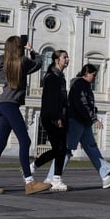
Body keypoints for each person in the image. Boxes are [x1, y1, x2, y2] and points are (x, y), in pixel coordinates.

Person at [0, 35, 50, 195]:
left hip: (3, 104)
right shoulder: (22, 62)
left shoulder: (3, 63)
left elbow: (1, 60)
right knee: (25, 141)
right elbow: (39, 63)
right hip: (10, 105)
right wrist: (31, 50)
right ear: (20, 48)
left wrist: (10, 51)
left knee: (0, 144)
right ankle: (29, 182)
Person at [61, 64, 110, 189]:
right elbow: (82, 103)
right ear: (86, 73)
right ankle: (52, 177)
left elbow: (85, 104)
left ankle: (105, 176)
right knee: (66, 150)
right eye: (93, 75)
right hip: (76, 120)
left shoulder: (84, 85)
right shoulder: (80, 84)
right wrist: (94, 118)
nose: (95, 78)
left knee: (91, 148)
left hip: (84, 121)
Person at [34, 49, 70, 192]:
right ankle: (54, 179)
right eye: (64, 57)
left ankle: (51, 176)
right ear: (57, 60)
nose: (67, 60)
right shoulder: (52, 77)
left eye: (67, 57)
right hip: (51, 117)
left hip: (59, 116)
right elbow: (51, 100)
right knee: (59, 149)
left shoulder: (61, 77)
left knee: (60, 149)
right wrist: (57, 118)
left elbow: (62, 100)